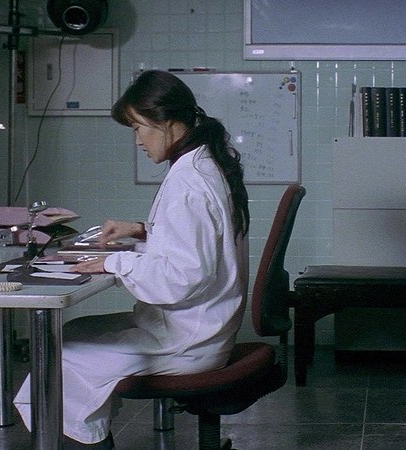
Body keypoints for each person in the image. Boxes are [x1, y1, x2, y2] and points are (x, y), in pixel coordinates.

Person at [13, 70, 251, 449]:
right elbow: (203, 241)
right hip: (200, 328)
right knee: (72, 333)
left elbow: (182, 277)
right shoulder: (203, 163)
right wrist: (142, 230)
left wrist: (113, 263)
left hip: (189, 342)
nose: (137, 141)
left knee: (57, 361)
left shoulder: (188, 182)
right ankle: (93, 438)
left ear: (166, 123)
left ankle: (84, 443)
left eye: (139, 128)